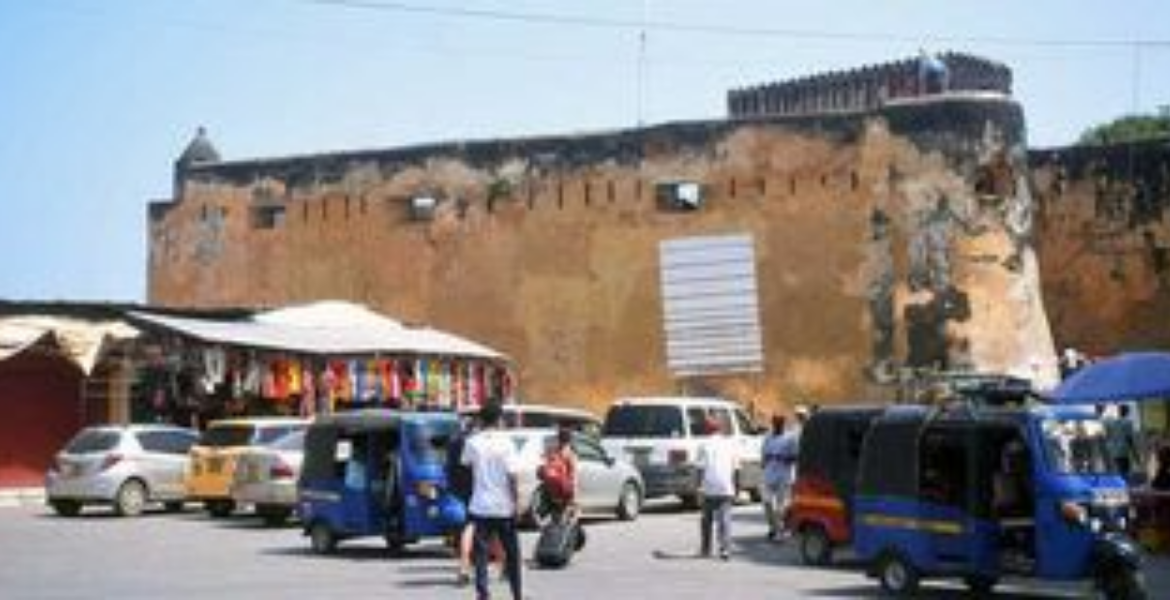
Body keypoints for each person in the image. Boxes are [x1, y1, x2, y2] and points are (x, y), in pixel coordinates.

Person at [461, 400, 523, 600]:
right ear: (499, 418)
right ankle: (517, 594)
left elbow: (466, 464)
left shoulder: (472, 441)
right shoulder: (507, 442)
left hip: (481, 506)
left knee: (480, 554)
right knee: (512, 553)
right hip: (503, 506)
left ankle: (483, 594)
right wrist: (516, 502)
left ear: (481, 419)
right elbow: (512, 475)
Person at [697, 416, 739, 560]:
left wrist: (699, 487)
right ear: (719, 429)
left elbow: (700, 469)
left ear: (707, 429)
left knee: (706, 520)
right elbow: (736, 468)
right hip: (726, 485)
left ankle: (706, 549)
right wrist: (736, 488)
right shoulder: (729, 444)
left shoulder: (703, 444)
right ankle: (725, 549)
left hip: (709, 486)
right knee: (725, 520)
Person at [760, 414, 796, 541]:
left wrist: (783, 457)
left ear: (783, 424)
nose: (777, 426)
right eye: (775, 423)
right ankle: (773, 528)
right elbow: (763, 455)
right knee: (767, 502)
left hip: (784, 475)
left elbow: (795, 457)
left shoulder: (790, 438)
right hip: (769, 474)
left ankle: (780, 530)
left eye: (780, 423)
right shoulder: (768, 437)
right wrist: (764, 462)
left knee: (781, 507)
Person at [540, 424, 580, 523]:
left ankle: (556, 527)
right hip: (564, 488)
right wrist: (574, 494)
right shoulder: (570, 454)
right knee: (567, 515)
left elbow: (545, 467)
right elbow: (573, 474)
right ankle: (562, 532)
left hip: (552, 489)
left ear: (559, 439)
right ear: (570, 440)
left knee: (556, 515)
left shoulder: (553, 452)